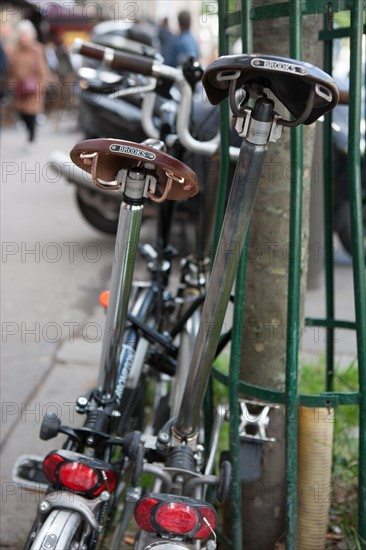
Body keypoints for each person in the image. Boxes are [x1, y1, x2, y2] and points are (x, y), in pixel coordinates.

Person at [6, 20, 48, 143]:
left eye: (25, 35)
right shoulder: (13, 50)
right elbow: (10, 70)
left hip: (33, 87)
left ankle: (31, 135)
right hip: (19, 87)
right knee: (20, 112)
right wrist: (12, 83)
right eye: (21, 34)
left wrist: (41, 86)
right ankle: (29, 130)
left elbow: (42, 71)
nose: (23, 37)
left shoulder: (37, 50)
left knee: (31, 113)